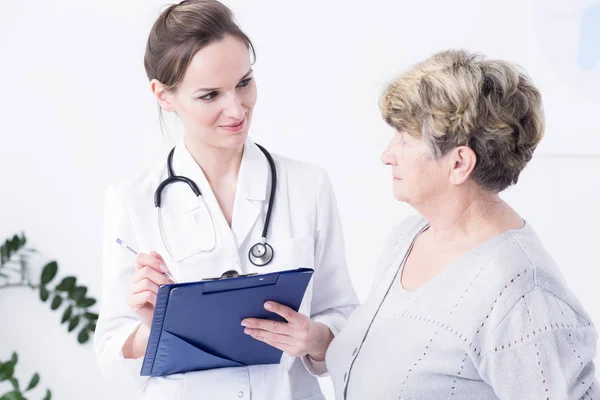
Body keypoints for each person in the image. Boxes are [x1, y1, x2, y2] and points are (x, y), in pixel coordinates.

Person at [93, 1, 358, 399]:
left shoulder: (307, 186)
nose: (236, 108)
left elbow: (342, 316)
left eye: (244, 83)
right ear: (163, 96)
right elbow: (111, 355)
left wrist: (314, 338)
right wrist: (154, 329)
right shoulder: (132, 201)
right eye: (210, 95)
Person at [325, 49, 598, 399]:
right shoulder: (408, 237)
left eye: (405, 139)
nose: (387, 154)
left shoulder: (524, 295)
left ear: (459, 164)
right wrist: (326, 344)